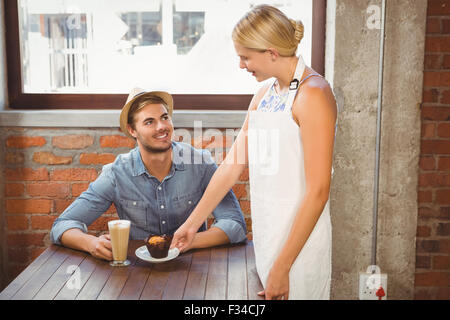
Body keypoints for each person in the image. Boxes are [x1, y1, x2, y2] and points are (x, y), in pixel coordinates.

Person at [171, 5, 337, 300]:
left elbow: (319, 191)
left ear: (271, 52)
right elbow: (232, 164)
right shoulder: (265, 95)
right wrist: (192, 224)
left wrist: (283, 266)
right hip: (270, 236)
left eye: (245, 57)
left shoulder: (314, 94)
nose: (241, 65)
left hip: (299, 249)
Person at [50, 88, 247, 261]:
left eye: (164, 117)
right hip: (137, 272)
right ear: (132, 130)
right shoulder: (117, 173)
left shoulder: (200, 163)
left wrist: (187, 241)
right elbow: (62, 226)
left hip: (194, 268)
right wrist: (91, 243)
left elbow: (235, 225)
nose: (161, 127)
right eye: (149, 122)